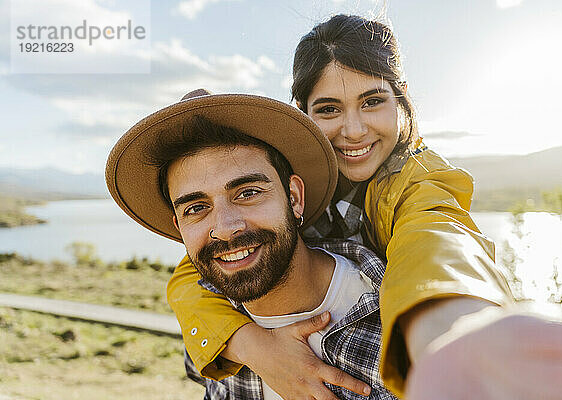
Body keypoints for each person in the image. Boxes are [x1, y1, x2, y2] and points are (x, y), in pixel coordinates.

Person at [166, 14, 512, 398]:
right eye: (329, 109)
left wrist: (460, 334)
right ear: (302, 111)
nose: (354, 130)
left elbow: (437, 245)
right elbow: (191, 279)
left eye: (373, 102)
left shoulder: (420, 182)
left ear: (402, 98)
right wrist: (252, 346)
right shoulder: (280, 181)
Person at [106, 92, 402, 399]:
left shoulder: (397, 332)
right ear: (179, 227)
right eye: (195, 208)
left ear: (294, 198)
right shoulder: (210, 310)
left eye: (247, 193)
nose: (224, 228)